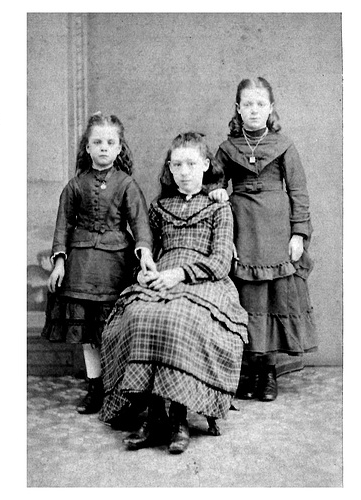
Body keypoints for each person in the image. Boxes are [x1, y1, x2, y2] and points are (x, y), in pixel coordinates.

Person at [100, 132, 248, 454]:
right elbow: (148, 246)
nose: (184, 171)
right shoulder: (159, 207)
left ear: (206, 165)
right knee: (140, 313)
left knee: (181, 318)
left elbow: (221, 261)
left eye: (191, 164)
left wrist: (178, 275)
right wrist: (147, 267)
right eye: (177, 164)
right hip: (163, 276)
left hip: (203, 281)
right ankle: (154, 417)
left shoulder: (218, 208)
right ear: (170, 167)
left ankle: (179, 418)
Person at [209, 77, 316, 402]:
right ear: (238, 109)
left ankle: (267, 372)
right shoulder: (228, 148)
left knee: (272, 297)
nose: (254, 110)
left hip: (276, 228)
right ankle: (250, 371)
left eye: (260, 104)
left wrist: (299, 233)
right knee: (247, 298)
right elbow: (214, 182)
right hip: (243, 228)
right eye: (247, 104)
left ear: (270, 108)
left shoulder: (283, 144)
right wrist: (215, 191)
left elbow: (298, 191)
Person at [42, 112, 156, 414]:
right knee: (88, 335)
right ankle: (95, 387)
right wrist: (59, 263)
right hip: (80, 268)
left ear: (119, 148)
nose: (104, 147)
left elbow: (140, 223)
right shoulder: (75, 186)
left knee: (111, 329)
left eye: (110, 142)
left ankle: (115, 387)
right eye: (97, 142)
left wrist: (144, 253)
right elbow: (62, 226)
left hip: (114, 268)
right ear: (87, 148)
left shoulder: (127, 185)